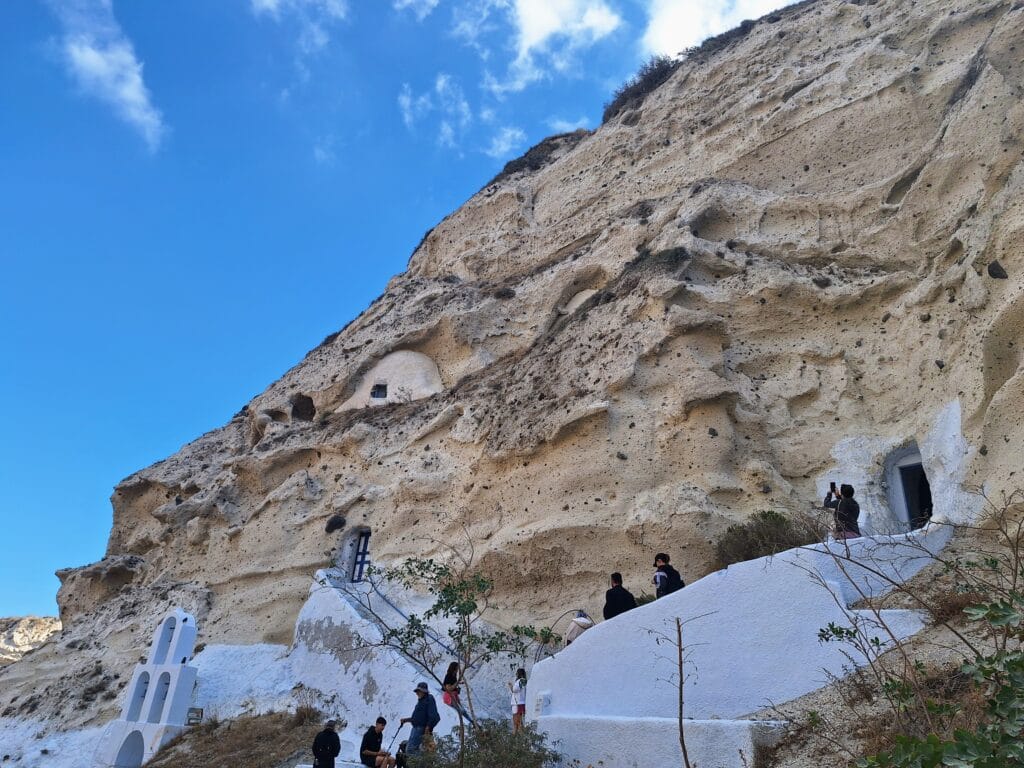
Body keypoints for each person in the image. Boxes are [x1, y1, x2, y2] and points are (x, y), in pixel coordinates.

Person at [400, 681, 440, 754]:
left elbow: (433, 715)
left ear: (424, 691)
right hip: (417, 728)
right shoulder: (421, 701)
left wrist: (427, 728)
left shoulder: (429, 699)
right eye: (417, 691)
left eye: (419, 691)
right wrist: (406, 720)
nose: (417, 693)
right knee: (414, 748)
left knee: (410, 750)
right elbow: (418, 718)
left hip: (420, 729)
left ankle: (421, 762)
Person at [509, 667, 527, 732]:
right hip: (521, 702)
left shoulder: (521, 680)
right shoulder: (523, 681)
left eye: (517, 673)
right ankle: (517, 735)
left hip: (517, 703)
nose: (516, 674)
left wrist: (511, 686)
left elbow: (514, 690)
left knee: (516, 721)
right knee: (519, 721)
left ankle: (516, 735)